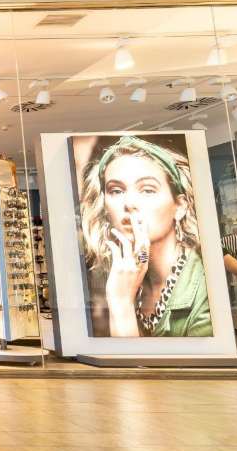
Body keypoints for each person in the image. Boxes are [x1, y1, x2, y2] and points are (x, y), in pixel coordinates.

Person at [79, 135, 212, 337]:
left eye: (147, 190)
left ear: (180, 206)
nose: (129, 203)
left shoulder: (206, 291)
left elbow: (136, 368)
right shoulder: (128, 274)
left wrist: (122, 304)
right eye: (116, 190)